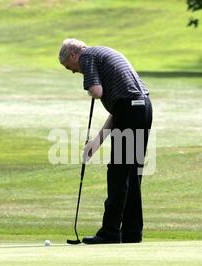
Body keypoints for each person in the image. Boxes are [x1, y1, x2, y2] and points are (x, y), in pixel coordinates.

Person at [58, 39, 153, 244]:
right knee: (131, 173)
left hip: (131, 110)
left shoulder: (87, 57)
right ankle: (132, 233)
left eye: (69, 67)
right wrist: (96, 142)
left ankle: (110, 233)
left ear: (74, 56)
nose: (73, 72)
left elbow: (97, 91)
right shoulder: (101, 54)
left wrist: (90, 88)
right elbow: (119, 110)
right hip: (142, 108)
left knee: (118, 174)